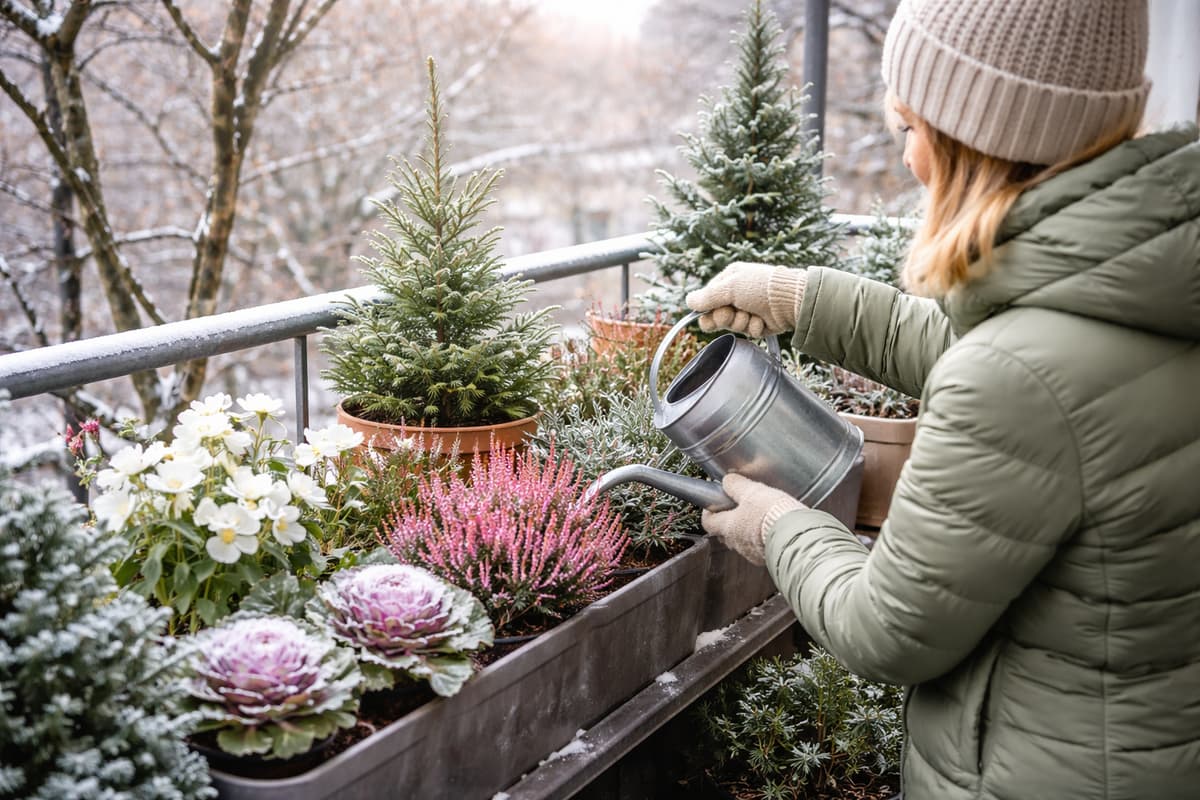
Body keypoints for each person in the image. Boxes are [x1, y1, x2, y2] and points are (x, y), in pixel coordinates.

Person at [684, 0, 1200, 797]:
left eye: (908, 130)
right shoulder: (1152, 274)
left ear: (978, 141)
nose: (909, 160)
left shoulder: (1021, 376)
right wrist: (802, 298)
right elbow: (1018, 356)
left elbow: (888, 630)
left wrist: (779, 528)